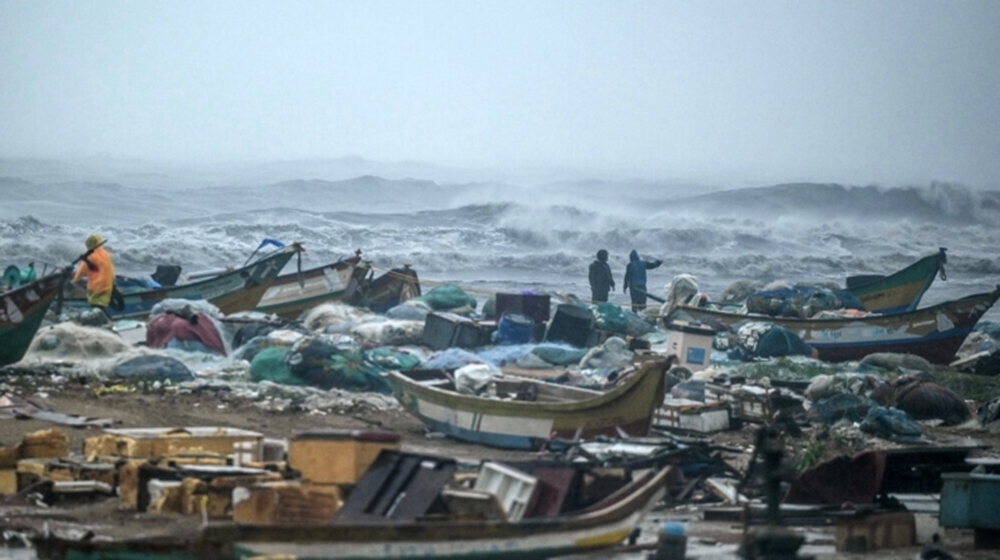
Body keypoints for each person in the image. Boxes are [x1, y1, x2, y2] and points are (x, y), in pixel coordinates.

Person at [73, 233, 116, 309]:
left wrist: (74, 280)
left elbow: (83, 271)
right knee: (102, 304)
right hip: (107, 284)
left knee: (96, 305)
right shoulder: (106, 254)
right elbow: (111, 269)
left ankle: (100, 318)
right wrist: (113, 283)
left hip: (96, 286)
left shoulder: (90, 256)